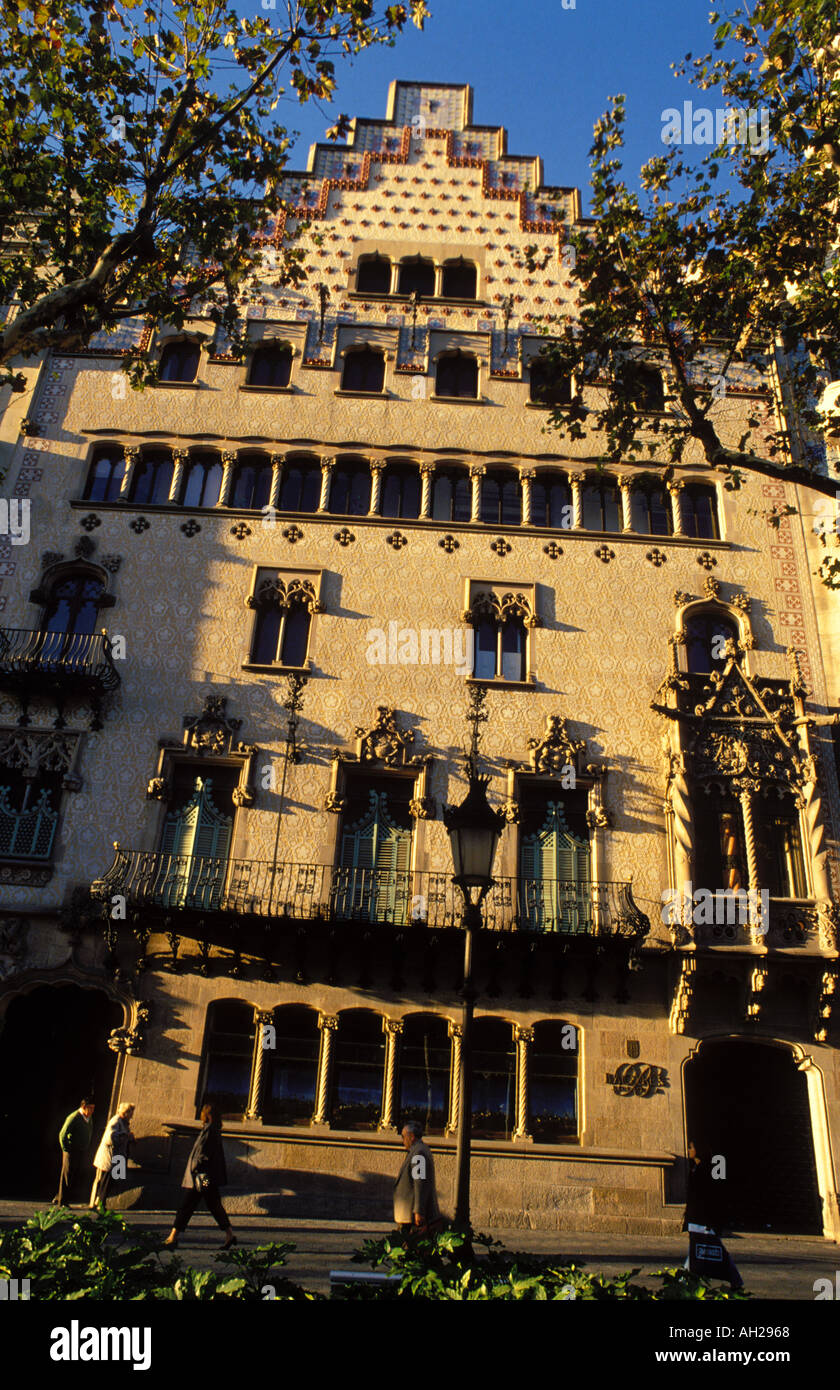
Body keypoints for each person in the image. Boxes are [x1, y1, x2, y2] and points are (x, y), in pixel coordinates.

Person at [163, 1104, 235, 1249]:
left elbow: (201, 1154)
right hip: (208, 1177)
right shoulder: (214, 1130)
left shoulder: (208, 1130)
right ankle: (229, 1234)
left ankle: (173, 1237)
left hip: (200, 1177)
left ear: (207, 1115)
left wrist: (195, 1170)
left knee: (187, 1205)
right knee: (213, 1205)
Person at [683, 1139, 743, 1290]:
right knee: (699, 1249)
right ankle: (687, 1280)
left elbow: (714, 1196)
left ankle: (685, 1281)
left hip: (703, 1219)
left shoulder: (710, 1169)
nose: (688, 1150)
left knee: (708, 1249)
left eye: (691, 1147)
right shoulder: (695, 1168)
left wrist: (714, 1219)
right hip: (695, 1218)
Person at [393, 1120, 442, 1235]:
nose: (403, 1141)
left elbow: (420, 1183)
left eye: (404, 1137)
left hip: (411, 1214)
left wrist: (419, 1211)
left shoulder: (419, 1153)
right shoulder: (418, 1150)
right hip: (409, 1212)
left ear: (412, 1136)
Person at [90, 1102, 135, 1210]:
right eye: (131, 1113)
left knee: (114, 1180)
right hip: (110, 1157)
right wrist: (125, 1135)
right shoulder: (115, 1121)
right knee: (105, 1181)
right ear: (126, 1113)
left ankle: (100, 1202)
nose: (132, 1116)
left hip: (118, 1157)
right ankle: (99, 1203)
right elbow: (109, 1138)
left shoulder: (124, 1122)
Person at [52, 1097, 95, 1207]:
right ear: (84, 1107)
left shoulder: (88, 1118)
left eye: (93, 1108)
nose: (92, 1111)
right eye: (90, 1108)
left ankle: (59, 1196)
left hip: (80, 1150)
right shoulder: (74, 1117)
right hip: (71, 1150)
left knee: (73, 1174)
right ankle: (63, 1202)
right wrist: (66, 1148)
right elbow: (62, 1134)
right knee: (67, 1173)